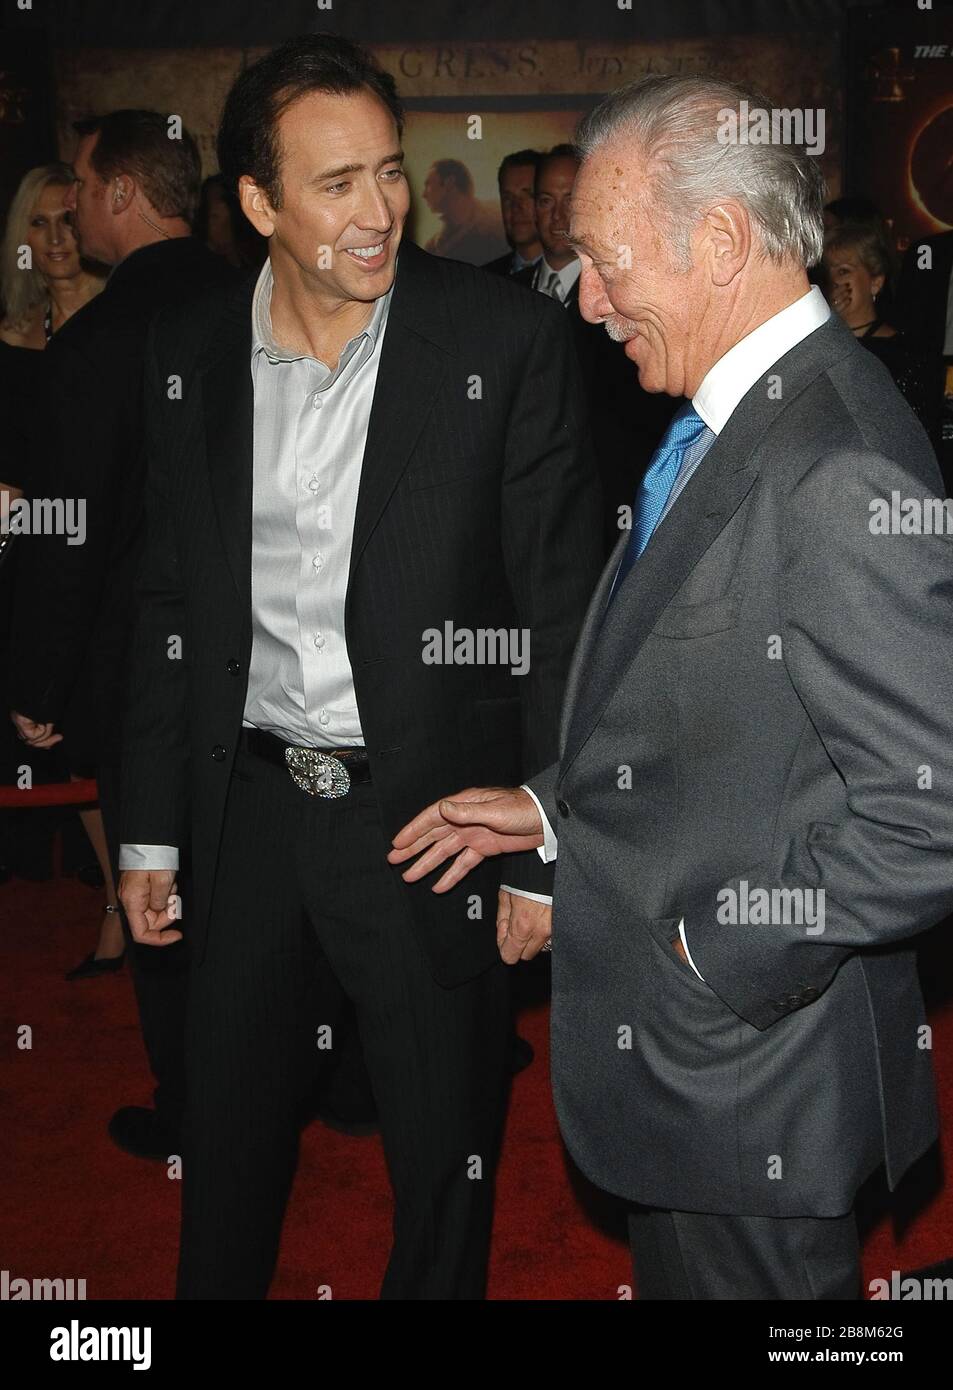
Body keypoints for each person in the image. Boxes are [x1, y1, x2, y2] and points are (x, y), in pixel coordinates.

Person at [389, 74, 953, 1301]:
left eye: (604, 260)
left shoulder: (831, 465)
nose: (587, 301)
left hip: (747, 1075)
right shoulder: (743, 413)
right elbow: (723, 715)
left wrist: (714, 956)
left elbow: (925, 819)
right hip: (711, 1084)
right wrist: (549, 809)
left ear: (716, 241)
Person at [116, 34, 601, 1300]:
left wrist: (542, 844)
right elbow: (167, 603)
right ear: (260, 204)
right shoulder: (190, 355)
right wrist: (151, 831)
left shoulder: (503, 343)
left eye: (389, 172)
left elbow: (559, 613)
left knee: (446, 1150)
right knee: (222, 1143)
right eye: (336, 184)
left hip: (432, 818)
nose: (380, 209)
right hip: (251, 809)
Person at [8, 110, 235, 1152]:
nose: (78, 209)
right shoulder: (263, 303)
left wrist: (38, 685)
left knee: (161, 892)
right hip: (284, 659)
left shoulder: (101, 340)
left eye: (87, 188)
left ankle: (195, 1110)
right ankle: (298, 1084)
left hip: (149, 673)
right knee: (260, 884)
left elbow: (69, 536)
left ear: (123, 198)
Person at [1, 164, 107, 893]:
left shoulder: (123, 321)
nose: (56, 238)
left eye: (67, 219)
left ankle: (126, 897)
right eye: (37, 223)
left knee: (101, 739)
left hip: (109, 564)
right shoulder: (9, 338)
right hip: (27, 563)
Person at [532, 143, 675, 552]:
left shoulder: (629, 299)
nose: (558, 215)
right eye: (546, 200)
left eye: (570, 200)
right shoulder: (497, 293)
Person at [822, 221, 941, 443]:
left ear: (875, 282)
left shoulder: (906, 356)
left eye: (843, 271)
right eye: (827, 273)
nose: (834, 282)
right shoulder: (818, 348)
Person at [421, 158, 508, 265]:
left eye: (428, 185)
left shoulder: (501, 224)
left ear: (449, 183)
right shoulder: (433, 248)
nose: (424, 195)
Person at [483, 150, 543, 277]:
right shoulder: (485, 278)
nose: (516, 207)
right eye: (508, 198)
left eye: (527, 195)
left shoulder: (577, 276)